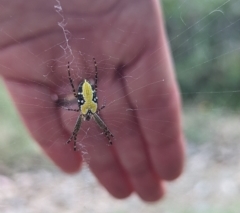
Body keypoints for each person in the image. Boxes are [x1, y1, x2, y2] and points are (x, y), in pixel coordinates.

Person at [0, 0, 185, 202]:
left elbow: (84, 103)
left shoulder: (84, 108)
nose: (87, 115)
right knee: (93, 122)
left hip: (85, 89)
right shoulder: (91, 108)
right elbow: (92, 99)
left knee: (91, 122)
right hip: (87, 89)